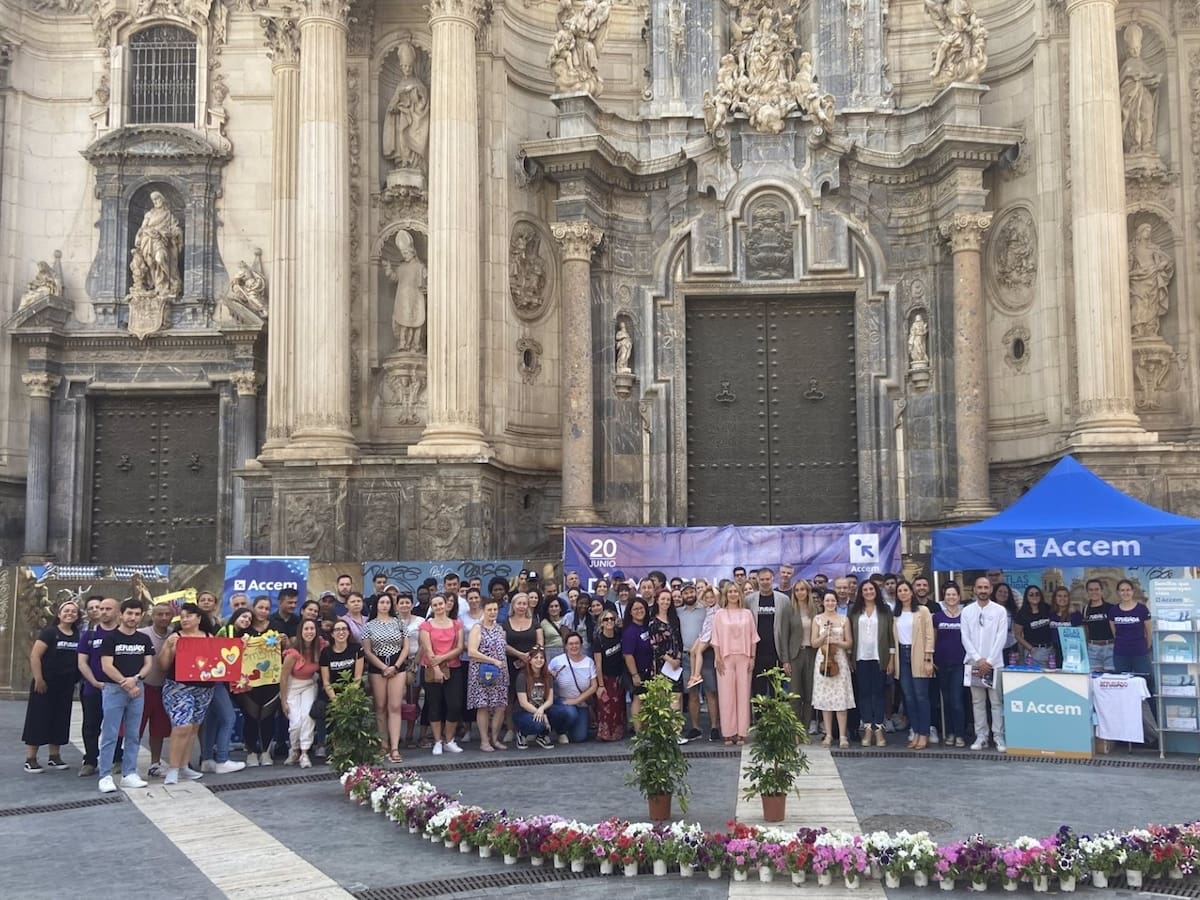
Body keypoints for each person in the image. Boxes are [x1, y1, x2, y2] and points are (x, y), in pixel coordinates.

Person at [97, 599, 155, 793]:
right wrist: (125, 682)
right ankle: (105, 775)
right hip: (114, 689)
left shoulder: (144, 639)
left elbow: (148, 664)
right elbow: (106, 666)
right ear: (121, 614)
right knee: (110, 734)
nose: (133, 617)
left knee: (133, 734)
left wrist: (136, 679)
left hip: (137, 689)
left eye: (137, 614)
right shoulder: (110, 638)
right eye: (129, 613)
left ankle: (129, 773)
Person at [156, 602, 216, 785]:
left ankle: (183, 765)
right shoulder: (175, 637)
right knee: (182, 725)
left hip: (204, 687)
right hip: (178, 687)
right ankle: (173, 768)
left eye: (188, 616)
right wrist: (169, 648)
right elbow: (163, 665)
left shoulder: (209, 636)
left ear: (198, 618)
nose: (184, 619)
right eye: (182, 617)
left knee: (193, 727)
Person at [23, 600, 80, 773]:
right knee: (38, 719)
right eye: (66, 610)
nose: (70, 614)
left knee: (60, 720)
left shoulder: (78, 635)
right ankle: (31, 759)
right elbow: (35, 656)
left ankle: (54, 756)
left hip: (65, 686)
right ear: (59, 614)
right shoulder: (50, 632)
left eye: (73, 611)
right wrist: (39, 678)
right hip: (45, 684)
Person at [361, 593, 411, 763]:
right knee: (380, 706)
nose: (384, 605)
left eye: (387, 602)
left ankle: (395, 747)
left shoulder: (399, 623)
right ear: (376, 604)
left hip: (397, 666)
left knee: (395, 706)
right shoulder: (369, 626)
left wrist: (395, 666)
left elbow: (406, 647)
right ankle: (384, 744)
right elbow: (367, 651)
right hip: (378, 667)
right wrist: (383, 667)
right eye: (381, 602)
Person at [961, 576, 1007, 753]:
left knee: (996, 702)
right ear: (974, 589)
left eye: (986, 587)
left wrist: (989, 661)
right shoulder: (967, 611)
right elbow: (965, 637)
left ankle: (998, 736)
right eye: (979, 587)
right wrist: (978, 659)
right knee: (977, 702)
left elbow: (1001, 637)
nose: (982, 590)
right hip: (973, 663)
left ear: (991, 589)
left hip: (994, 664)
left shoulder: (1000, 611)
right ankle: (981, 736)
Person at [203, 607, 252, 772]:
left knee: (212, 720)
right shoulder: (229, 630)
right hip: (216, 679)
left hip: (214, 679)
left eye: (249, 619)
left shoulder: (232, 631)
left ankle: (207, 759)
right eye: (244, 617)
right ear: (235, 616)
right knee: (229, 718)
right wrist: (242, 645)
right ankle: (222, 759)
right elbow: (231, 652)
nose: (246, 620)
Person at [849, 579, 894, 748]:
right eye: (865, 590)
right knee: (864, 693)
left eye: (871, 589)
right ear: (861, 593)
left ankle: (879, 729)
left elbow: (891, 636)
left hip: (879, 657)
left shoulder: (885, 610)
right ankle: (868, 728)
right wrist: (849, 658)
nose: (868, 592)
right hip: (860, 658)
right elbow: (850, 635)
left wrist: (891, 659)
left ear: (876, 591)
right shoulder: (854, 611)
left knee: (879, 693)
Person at [711, 582, 758, 745]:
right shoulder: (719, 614)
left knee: (743, 695)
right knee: (726, 696)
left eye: (735, 591)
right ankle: (728, 732)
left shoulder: (747, 614)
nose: (733, 594)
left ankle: (742, 732)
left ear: (740, 594)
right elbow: (715, 637)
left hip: (744, 657)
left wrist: (752, 657)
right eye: (730, 591)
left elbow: (753, 637)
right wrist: (717, 657)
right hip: (725, 658)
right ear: (726, 595)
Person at [418, 593, 465, 755]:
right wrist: (437, 668)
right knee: (434, 705)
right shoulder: (426, 626)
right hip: (432, 669)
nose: (438, 607)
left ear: (446, 605)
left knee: (455, 705)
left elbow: (459, 648)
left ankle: (449, 740)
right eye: (435, 605)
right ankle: (437, 741)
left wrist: (443, 658)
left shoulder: (457, 624)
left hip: (453, 667)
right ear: (432, 607)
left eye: (441, 604)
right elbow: (427, 649)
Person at [77, 596, 117, 777]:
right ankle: (90, 760)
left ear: (117, 612)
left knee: (116, 726)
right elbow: (82, 662)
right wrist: (94, 682)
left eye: (107, 609)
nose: (103, 612)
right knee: (90, 725)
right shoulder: (90, 635)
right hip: (93, 688)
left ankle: (117, 758)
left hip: (117, 689)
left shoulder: (122, 635)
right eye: (101, 609)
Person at [893, 580, 934, 750]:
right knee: (909, 697)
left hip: (918, 654)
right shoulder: (895, 613)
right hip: (901, 655)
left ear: (911, 592)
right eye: (900, 591)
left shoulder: (922, 611)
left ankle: (924, 733)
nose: (903, 593)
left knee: (921, 696)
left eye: (905, 590)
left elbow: (929, 635)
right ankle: (916, 731)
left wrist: (928, 659)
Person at [811, 589, 854, 748]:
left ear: (837, 602)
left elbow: (849, 642)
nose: (830, 603)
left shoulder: (844, 619)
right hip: (823, 659)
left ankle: (842, 736)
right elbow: (814, 643)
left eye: (833, 601)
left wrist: (836, 641)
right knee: (825, 700)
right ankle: (828, 734)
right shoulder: (817, 619)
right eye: (827, 600)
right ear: (823, 602)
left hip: (839, 660)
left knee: (840, 699)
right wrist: (824, 635)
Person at [467, 597, 510, 751]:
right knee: (483, 705)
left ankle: (495, 739)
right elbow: (472, 652)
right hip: (481, 672)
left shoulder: (499, 629)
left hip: (500, 672)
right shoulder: (477, 628)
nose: (492, 612)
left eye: (495, 609)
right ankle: (484, 741)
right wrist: (492, 661)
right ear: (483, 611)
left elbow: (504, 648)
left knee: (500, 706)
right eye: (489, 610)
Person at [279, 618, 322, 768]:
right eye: (306, 629)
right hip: (292, 686)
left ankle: (304, 752)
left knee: (308, 717)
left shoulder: (320, 647)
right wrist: (283, 701)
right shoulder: (293, 653)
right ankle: (294, 749)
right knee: (295, 722)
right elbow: (283, 677)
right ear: (301, 632)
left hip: (309, 684)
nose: (309, 632)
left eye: (312, 629)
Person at [137, 602, 173, 777]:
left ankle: (155, 763)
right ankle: (127, 763)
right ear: (152, 615)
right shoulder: (142, 634)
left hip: (165, 689)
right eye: (160, 614)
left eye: (167, 614)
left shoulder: (175, 635)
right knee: (135, 728)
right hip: (143, 687)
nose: (164, 617)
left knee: (159, 730)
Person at [777, 579, 817, 738]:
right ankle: (794, 730)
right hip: (795, 655)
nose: (800, 592)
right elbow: (784, 636)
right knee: (795, 695)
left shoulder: (815, 610)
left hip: (812, 654)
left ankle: (804, 730)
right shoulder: (789, 609)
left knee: (809, 695)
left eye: (803, 589)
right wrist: (785, 660)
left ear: (808, 591)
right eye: (797, 590)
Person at [932, 582, 967, 747]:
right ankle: (950, 733)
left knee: (956, 700)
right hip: (942, 664)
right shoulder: (937, 617)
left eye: (954, 594)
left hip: (960, 664)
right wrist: (932, 659)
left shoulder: (965, 616)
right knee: (946, 700)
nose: (951, 597)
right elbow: (933, 639)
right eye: (948, 595)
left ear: (959, 597)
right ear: (944, 598)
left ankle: (960, 734)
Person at [547, 632, 597, 744]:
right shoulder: (557, 661)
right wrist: (550, 675)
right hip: (562, 701)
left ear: (581, 645)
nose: (574, 646)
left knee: (579, 737)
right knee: (570, 713)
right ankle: (561, 731)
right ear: (566, 646)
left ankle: (570, 727)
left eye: (576, 643)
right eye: (571, 644)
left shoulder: (589, 662)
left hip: (581, 702)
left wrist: (577, 700)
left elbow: (594, 686)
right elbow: (544, 675)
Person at [676, 582, 707, 741]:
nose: (689, 595)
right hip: (686, 657)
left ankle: (714, 727)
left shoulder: (705, 609)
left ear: (695, 592)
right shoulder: (677, 612)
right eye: (685, 593)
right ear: (682, 595)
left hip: (706, 655)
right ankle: (694, 728)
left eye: (691, 592)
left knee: (711, 692)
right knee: (691, 693)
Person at [591, 607, 627, 741]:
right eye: (606, 619)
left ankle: (618, 732)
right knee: (606, 706)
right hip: (606, 677)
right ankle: (605, 734)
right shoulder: (598, 640)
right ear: (601, 622)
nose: (609, 621)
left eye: (612, 619)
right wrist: (601, 685)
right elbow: (598, 664)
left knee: (619, 706)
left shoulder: (619, 635)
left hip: (619, 677)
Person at [1110, 579, 1153, 688]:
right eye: (1122, 590)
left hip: (1140, 653)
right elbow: (1114, 633)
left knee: (1145, 681)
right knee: (1123, 684)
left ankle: (1149, 700)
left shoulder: (1142, 609)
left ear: (1132, 591)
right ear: (1118, 592)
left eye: (1128, 590)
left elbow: (1149, 631)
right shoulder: (1113, 611)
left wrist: (1145, 647)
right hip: (1121, 654)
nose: (1125, 593)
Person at [648, 588, 685, 712]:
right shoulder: (653, 622)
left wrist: (678, 659)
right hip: (661, 664)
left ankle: (675, 724)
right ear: (657, 601)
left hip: (676, 665)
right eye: (663, 599)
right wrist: (669, 660)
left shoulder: (674, 619)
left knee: (676, 697)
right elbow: (654, 645)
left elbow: (679, 640)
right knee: (663, 699)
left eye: (668, 599)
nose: (666, 602)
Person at [621, 596, 654, 729]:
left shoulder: (647, 626)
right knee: (638, 699)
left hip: (649, 670)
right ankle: (638, 731)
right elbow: (628, 655)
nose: (639, 611)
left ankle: (646, 729)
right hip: (637, 671)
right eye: (635, 609)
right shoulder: (630, 631)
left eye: (641, 608)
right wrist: (635, 675)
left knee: (646, 700)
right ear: (630, 612)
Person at [513, 648, 555, 750]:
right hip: (523, 712)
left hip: (541, 709)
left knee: (559, 713)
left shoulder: (548, 677)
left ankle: (541, 736)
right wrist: (540, 714)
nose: (539, 660)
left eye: (541, 657)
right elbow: (523, 703)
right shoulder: (522, 676)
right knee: (539, 724)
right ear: (530, 660)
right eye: (536, 657)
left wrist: (541, 710)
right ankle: (522, 733)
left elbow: (550, 700)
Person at [1014, 585, 1054, 666]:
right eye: (1031, 594)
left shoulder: (1048, 608)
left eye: (1037, 594)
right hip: (1034, 652)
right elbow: (1018, 635)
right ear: (1026, 597)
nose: (1034, 596)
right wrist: (1031, 648)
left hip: (1050, 650)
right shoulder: (1022, 613)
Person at [1082, 578, 1115, 672]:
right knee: (1094, 678)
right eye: (1091, 590)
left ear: (1101, 591)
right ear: (1087, 592)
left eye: (1096, 589)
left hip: (1110, 647)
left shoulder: (1111, 608)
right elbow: (1086, 630)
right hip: (1093, 649)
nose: (1094, 592)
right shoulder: (1085, 609)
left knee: (1110, 678)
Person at [1049, 585, 1083, 664]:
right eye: (1059, 596)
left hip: (1071, 652)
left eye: (1065, 596)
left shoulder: (1075, 614)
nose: (1062, 598)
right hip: (1054, 652)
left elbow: (1081, 635)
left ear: (1069, 598)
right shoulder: (1051, 614)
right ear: (1055, 598)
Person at [539, 595, 569, 661]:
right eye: (551, 606)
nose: (554, 608)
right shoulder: (543, 623)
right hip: (550, 652)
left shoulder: (566, 620)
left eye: (556, 606)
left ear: (560, 608)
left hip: (566, 651)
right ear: (547, 609)